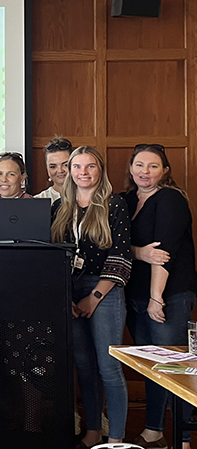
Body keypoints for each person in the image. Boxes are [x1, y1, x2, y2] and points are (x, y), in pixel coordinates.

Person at [51, 146, 131, 448]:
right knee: (83, 365)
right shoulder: (60, 208)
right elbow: (53, 257)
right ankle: (95, 431)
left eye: (90, 166)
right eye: (77, 167)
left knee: (108, 366)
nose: (83, 172)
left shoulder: (114, 204)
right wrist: (65, 297)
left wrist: (93, 298)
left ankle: (118, 438)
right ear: (69, 171)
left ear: (100, 170)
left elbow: (121, 256)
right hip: (70, 291)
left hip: (104, 289)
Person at [123, 144, 196, 449]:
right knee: (149, 365)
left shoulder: (169, 199)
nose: (145, 172)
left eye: (153, 166)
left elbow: (162, 254)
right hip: (136, 295)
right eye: (140, 165)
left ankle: (185, 438)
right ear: (130, 168)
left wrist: (156, 298)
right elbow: (124, 248)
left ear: (165, 171)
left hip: (169, 295)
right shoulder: (126, 200)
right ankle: (155, 431)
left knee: (173, 369)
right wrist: (138, 252)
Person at [35, 137, 73, 203]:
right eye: (53, 166)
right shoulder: (38, 200)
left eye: (65, 165)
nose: (60, 170)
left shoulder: (88, 197)